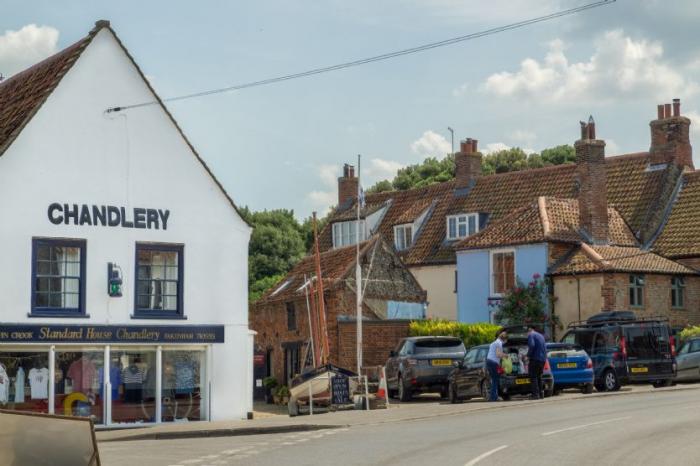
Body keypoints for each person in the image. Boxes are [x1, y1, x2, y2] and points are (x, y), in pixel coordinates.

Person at [486, 330, 507, 402]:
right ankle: (493, 397)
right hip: (493, 362)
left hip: (489, 361)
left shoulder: (493, 343)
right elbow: (498, 354)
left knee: (494, 380)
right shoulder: (499, 343)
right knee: (495, 380)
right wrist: (506, 355)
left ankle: (493, 396)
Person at [527, 325, 547, 399]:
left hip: (535, 359)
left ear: (529, 330)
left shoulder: (531, 335)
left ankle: (535, 395)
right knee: (539, 376)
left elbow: (532, 345)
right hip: (543, 359)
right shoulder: (541, 336)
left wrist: (528, 355)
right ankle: (541, 394)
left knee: (533, 376)